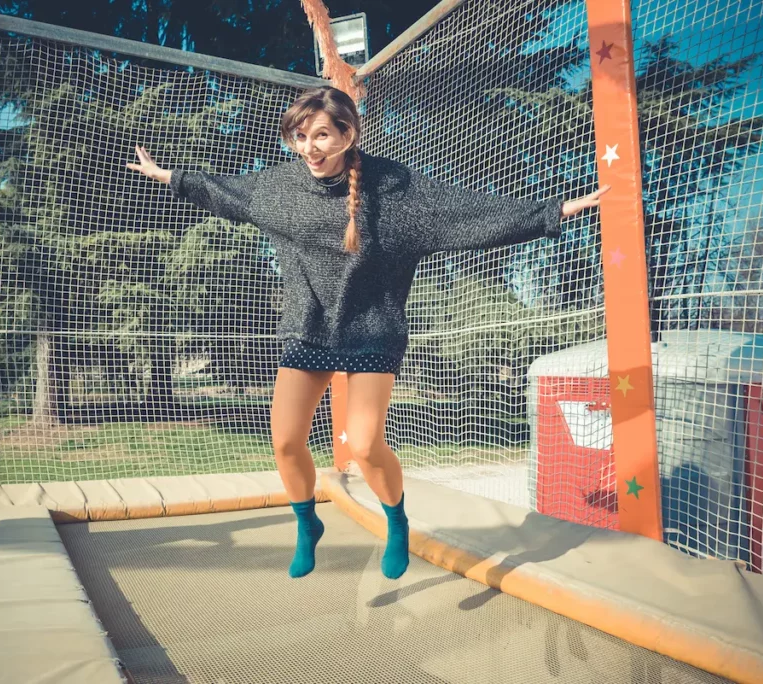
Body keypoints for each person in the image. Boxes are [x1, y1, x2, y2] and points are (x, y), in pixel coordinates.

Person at [127, 85, 609, 580]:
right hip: (309, 327)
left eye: (319, 135)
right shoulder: (281, 187)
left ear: (347, 133)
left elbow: (469, 213)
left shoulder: (393, 189)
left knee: (363, 443)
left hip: (373, 329)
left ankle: (396, 522)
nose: (308, 147)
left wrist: (555, 212)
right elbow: (228, 193)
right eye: (298, 136)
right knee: (286, 441)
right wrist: (172, 176)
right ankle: (306, 524)